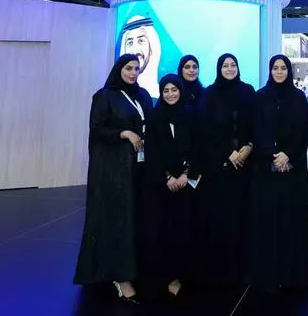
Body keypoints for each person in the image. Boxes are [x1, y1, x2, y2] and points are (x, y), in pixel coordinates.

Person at [74, 54, 153, 304]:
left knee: (135, 218)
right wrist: (124, 133)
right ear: (119, 69)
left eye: (136, 69)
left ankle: (133, 269)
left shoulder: (142, 95)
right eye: (128, 68)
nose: (133, 73)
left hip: (138, 168)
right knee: (118, 219)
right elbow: (97, 129)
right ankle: (120, 276)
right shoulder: (105, 96)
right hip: (114, 171)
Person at [248, 54, 308, 293]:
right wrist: (273, 155)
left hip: (292, 169)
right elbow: (256, 131)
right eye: (275, 68)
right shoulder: (259, 97)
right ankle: (269, 274)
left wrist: (287, 155)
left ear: (289, 71)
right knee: (268, 221)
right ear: (270, 71)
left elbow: (302, 133)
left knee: (292, 221)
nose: (279, 72)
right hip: (265, 170)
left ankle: (293, 275)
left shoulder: (298, 98)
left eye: (283, 68)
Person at [198, 53, 257, 287]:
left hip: (245, 165)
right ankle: (220, 272)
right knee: (221, 218)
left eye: (233, 65)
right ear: (219, 68)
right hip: (219, 168)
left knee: (243, 217)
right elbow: (206, 129)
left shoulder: (248, 91)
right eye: (225, 65)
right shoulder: (209, 94)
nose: (230, 69)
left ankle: (243, 270)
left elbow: (256, 123)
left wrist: (249, 146)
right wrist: (228, 152)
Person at [144, 74, 200, 297]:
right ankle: (165, 277)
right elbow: (151, 152)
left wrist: (186, 175)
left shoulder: (190, 115)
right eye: (165, 90)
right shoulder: (155, 117)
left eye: (174, 90)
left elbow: (198, 148)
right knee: (163, 231)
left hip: (186, 183)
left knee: (184, 229)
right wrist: (167, 178)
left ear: (180, 91)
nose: (170, 94)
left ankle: (181, 276)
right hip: (161, 186)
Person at [118, 15, 161, 95]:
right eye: (130, 43)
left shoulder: (161, 95)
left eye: (141, 41)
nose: (135, 51)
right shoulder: (113, 94)